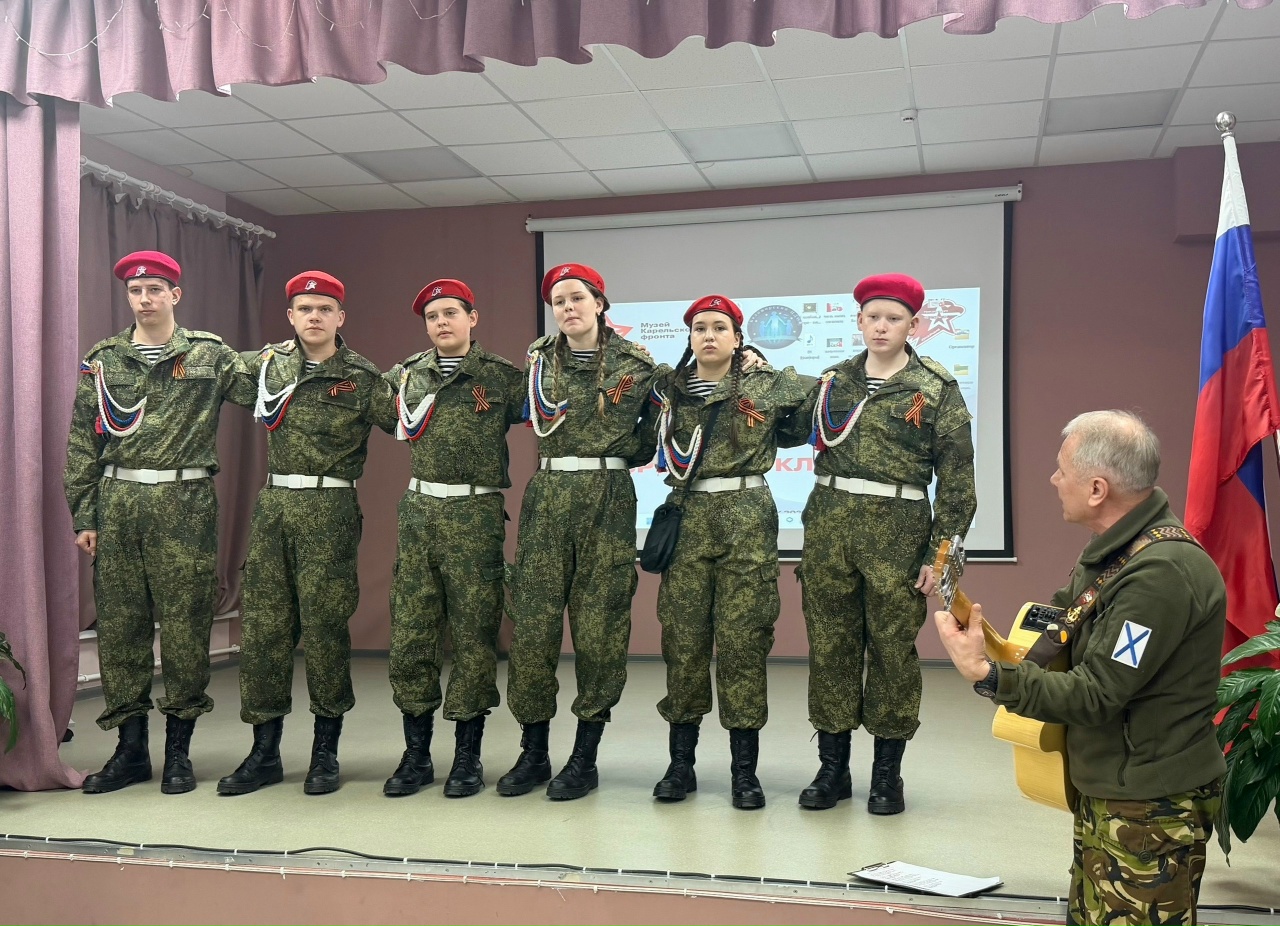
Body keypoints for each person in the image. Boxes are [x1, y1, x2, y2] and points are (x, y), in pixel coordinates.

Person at [935, 410, 1225, 926]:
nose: (1053, 479)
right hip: (1114, 788)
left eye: (1061, 470)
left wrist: (987, 675)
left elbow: (1096, 694)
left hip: (1150, 805)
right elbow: (1062, 629)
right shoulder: (1119, 550)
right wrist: (991, 647)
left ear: (1096, 489)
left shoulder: (1159, 577)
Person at [793, 272, 976, 814]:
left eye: (893, 318)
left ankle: (886, 775)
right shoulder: (832, 381)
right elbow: (787, 428)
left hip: (898, 534)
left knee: (892, 652)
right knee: (830, 648)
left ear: (912, 325)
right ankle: (832, 770)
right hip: (830, 529)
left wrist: (941, 558)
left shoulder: (936, 388)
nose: (881, 326)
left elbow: (958, 484)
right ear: (858, 321)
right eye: (873, 317)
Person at [65, 250, 244, 795]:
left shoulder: (209, 355)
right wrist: (85, 514)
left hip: (185, 502)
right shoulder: (104, 360)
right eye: (136, 291)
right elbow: (83, 441)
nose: (144, 300)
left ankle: (179, 752)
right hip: (119, 502)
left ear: (175, 295)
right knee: (121, 630)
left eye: (155, 290)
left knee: (187, 627)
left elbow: (266, 392)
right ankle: (131, 751)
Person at [217, 270, 394, 796]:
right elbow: (211, 374)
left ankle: (325, 752)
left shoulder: (363, 377)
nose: (314, 316)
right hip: (275, 506)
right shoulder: (267, 366)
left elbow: (409, 422)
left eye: (324, 309)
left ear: (341, 317)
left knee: (324, 628)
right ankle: (264, 752)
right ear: (290, 317)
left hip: (330, 506)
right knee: (265, 630)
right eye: (304, 308)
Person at [498, 263, 660, 801]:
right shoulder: (538, 360)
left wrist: (750, 360)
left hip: (607, 498)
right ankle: (533, 752)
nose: (568, 308)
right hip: (548, 496)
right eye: (558, 301)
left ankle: (584, 756)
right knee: (533, 627)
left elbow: (662, 422)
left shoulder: (638, 365)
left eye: (577, 298)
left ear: (599, 303)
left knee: (600, 629)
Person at [648, 295, 814, 810]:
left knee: (743, 643)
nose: (709, 335)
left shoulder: (764, 384)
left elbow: (815, 398)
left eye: (720, 327)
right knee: (684, 642)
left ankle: (745, 773)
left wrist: (765, 367)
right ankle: (681, 765)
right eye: (700, 327)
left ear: (738, 338)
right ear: (689, 337)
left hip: (746, 516)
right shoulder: (668, 388)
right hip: (689, 516)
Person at [380, 279, 524, 798]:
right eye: (433, 316)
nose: (441, 322)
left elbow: (559, 406)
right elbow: (353, 397)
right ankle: (416, 755)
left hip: (475, 513)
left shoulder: (503, 377)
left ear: (472, 318)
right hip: (420, 513)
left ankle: (467, 757)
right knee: (412, 634)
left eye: (451, 313)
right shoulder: (404, 376)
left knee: (473, 635)